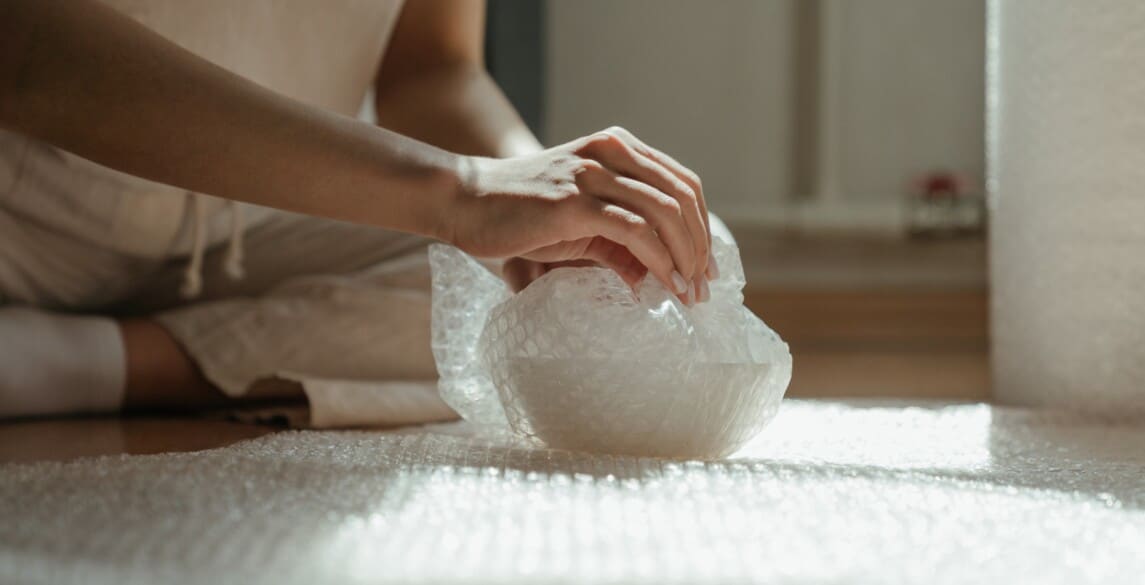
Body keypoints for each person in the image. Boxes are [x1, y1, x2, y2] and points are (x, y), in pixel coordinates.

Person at [0, 0, 717, 422]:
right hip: (19, 214)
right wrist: (463, 191)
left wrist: (546, 199)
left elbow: (428, 69)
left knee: (667, 243)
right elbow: (25, 47)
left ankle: (82, 362)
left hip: (250, 219)